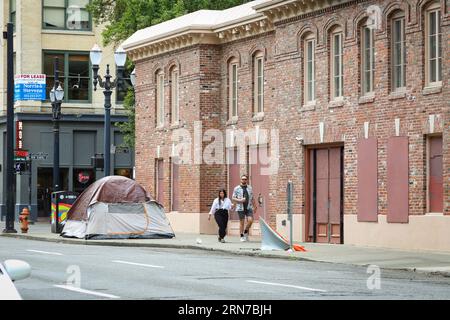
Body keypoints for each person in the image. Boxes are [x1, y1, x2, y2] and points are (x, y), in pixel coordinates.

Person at [232, 175, 257, 242]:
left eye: (245, 179)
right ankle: (242, 236)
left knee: (250, 220)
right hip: (240, 208)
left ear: (247, 180)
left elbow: (252, 198)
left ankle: (245, 231)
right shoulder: (236, 188)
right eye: (243, 179)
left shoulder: (250, 188)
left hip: (248, 207)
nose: (244, 180)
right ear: (240, 180)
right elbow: (233, 197)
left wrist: (255, 206)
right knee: (242, 222)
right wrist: (240, 200)